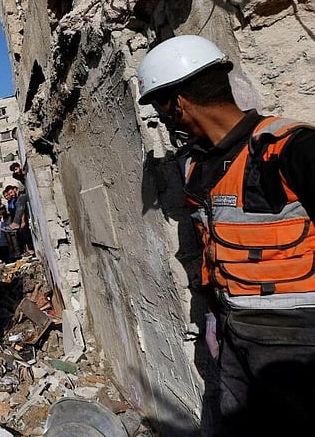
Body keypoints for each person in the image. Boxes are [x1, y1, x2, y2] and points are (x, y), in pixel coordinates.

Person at [136, 34, 315, 436]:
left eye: (160, 109)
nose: (163, 121)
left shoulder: (287, 147)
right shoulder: (198, 167)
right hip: (236, 333)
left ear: (177, 104)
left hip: (300, 342)